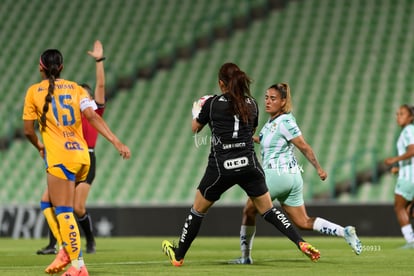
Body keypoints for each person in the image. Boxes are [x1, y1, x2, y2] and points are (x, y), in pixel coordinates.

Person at [162, 63, 321, 267]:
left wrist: (196, 111)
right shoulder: (252, 104)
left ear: (221, 83)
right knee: (269, 211)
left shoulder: (211, 103)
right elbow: (251, 129)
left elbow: (195, 129)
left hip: (221, 167)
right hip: (249, 166)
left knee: (197, 211)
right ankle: (300, 242)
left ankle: (179, 255)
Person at [23, 48, 130, 275]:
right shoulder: (77, 89)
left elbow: (27, 132)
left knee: (63, 211)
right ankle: (67, 252)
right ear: (61, 68)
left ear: (40, 67)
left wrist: (39, 145)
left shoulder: (34, 92)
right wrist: (116, 141)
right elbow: (92, 117)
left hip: (60, 158)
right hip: (82, 157)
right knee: (60, 207)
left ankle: (78, 265)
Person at [229, 83, 362, 265]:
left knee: (249, 210)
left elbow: (303, 146)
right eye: (267, 97)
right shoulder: (271, 123)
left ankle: (245, 257)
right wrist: (250, 138)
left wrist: (319, 168)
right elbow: (268, 142)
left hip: (275, 175)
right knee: (303, 221)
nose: (268, 102)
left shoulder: (285, 121)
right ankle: (344, 231)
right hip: (292, 178)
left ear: (283, 102)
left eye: (273, 98)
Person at [37, 40, 106, 256]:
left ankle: (89, 241)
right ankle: (56, 245)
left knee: (76, 207)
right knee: (50, 200)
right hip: (68, 155)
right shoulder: (69, 114)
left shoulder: (93, 112)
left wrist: (99, 61)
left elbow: (101, 87)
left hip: (87, 158)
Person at [384, 104, 414, 248]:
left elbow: (412, 150)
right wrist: (398, 167)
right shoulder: (408, 131)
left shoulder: (409, 130)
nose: (398, 116)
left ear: (411, 117)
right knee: (409, 210)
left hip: (409, 177)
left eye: (402, 114)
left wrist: (394, 160)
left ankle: (411, 241)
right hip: (409, 173)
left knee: (399, 207)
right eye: (397, 114)